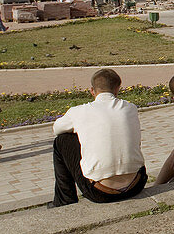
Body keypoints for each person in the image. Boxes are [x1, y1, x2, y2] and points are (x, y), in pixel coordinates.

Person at [48, 68, 147, 207]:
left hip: (99, 192)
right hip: (136, 185)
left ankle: (64, 201)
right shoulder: (130, 108)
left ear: (92, 91)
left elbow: (57, 129)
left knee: (62, 141)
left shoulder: (79, 112)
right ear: (117, 89)